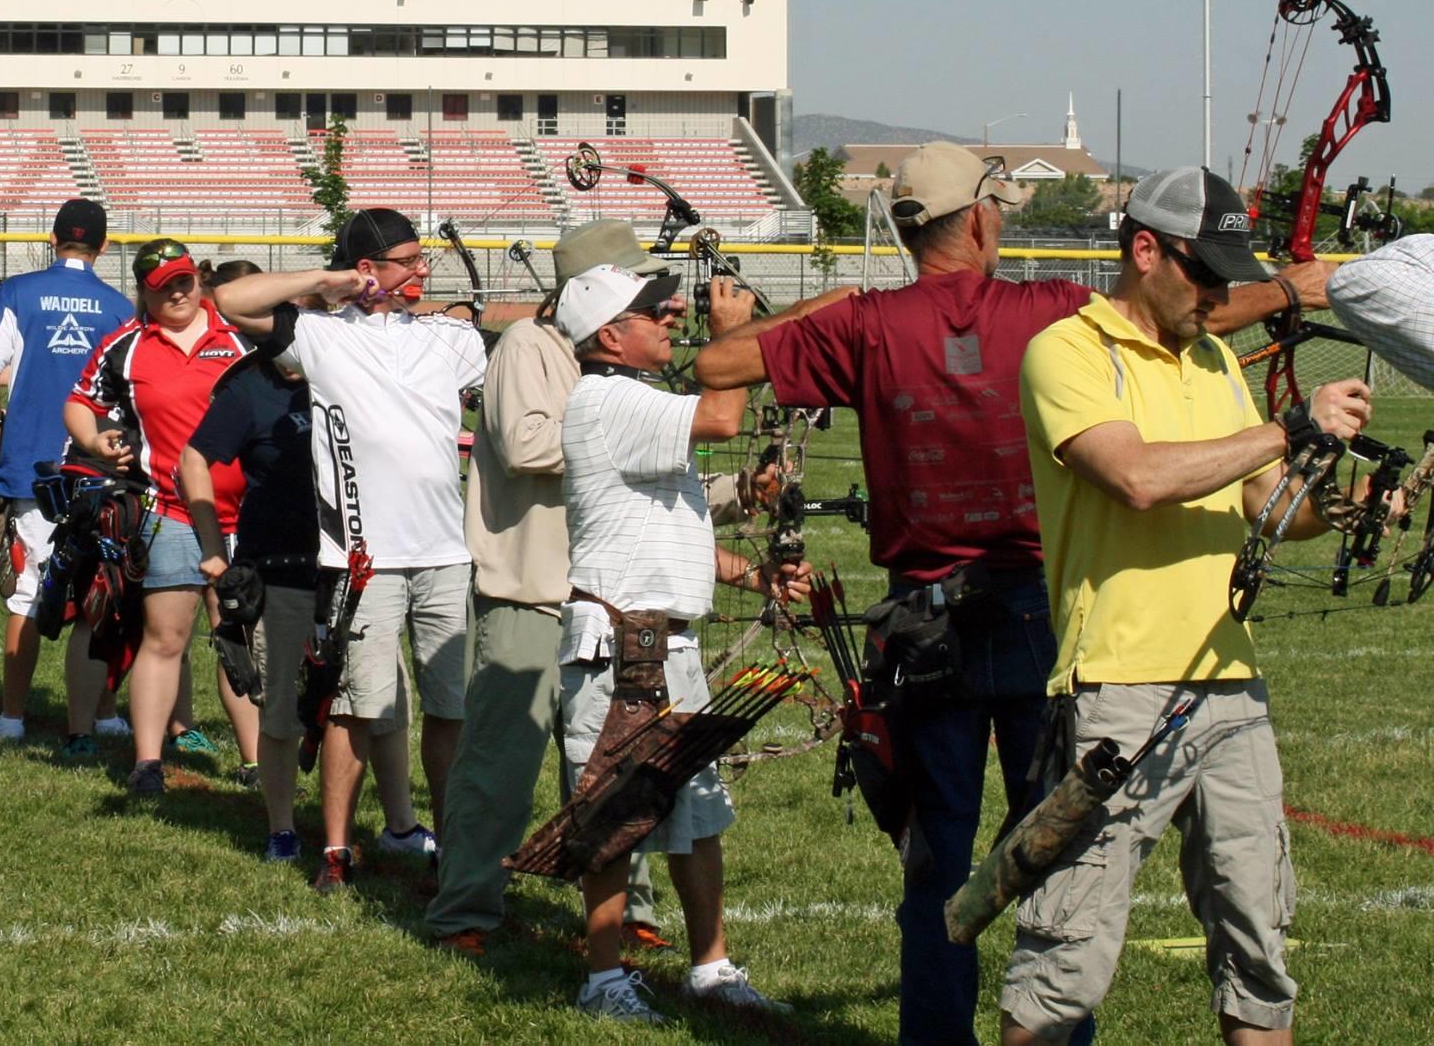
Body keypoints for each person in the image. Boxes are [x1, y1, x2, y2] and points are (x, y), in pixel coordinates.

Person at [694, 143, 1335, 1046]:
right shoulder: (1052, 309)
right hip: (1043, 612)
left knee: (938, 862)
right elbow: (1173, 317)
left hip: (924, 623)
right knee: (1063, 849)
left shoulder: (868, 323)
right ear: (987, 221)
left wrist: (848, 303)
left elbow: (718, 366)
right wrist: (1296, 289)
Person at [999, 167, 1371, 1046]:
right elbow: (1136, 479)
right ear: (1143, 251)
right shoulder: (1069, 351)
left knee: (1259, 953)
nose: (1216, 293)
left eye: (1226, 274)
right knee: (1064, 958)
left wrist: (1346, 504)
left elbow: (1269, 505)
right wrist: (1290, 427)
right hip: (1116, 689)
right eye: (1202, 272)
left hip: (1232, 686)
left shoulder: (1210, 359)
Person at [553, 262, 802, 1022]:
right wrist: (733, 337)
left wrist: (754, 577)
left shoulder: (636, 401)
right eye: (652, 312)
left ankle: (712, 968)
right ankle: (603, 980)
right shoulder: (608, 399)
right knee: (611, 813)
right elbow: (726, 418)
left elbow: (669, 532)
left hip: (663, 645)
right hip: (622, 647)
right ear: (609, 336)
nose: (670, 317)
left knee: (697, 810)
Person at [427, 219, 678, 955]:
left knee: (619, 765)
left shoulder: (627, 367)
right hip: (530, 589)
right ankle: (464, 909)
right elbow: (526, 442)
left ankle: (628, 911)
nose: (659, 307)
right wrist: (625, 433)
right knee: (501, 765)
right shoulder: (528, 347)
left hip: (611, 594)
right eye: (639, 291)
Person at [215, 209, 484, 891]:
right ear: (369, 270)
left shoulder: (448, 338)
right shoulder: (322, 336)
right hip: (364, 559)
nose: (424, 271)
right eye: (408, 260)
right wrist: (331, 280)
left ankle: (453, 844)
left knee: (449, 709)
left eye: (425, 259)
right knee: (357, 708)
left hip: (445, 555)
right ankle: (336, 849)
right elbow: (229, 301)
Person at [66, 237, 259, 791]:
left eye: (183, 280)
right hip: (170, 510)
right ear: (144, 295)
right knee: (165, 638)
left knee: (239, 642)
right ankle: (147, 762)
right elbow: (80, 402)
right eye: (161, 287)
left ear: (198, 278)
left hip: (248, 516)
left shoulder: (243, 335)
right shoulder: (126, 345)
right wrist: (95, 441)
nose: (176, 293)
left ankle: (255, 762)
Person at [0, 199, 134, 747]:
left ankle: (13, 716)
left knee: (27, 589)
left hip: (31, 462)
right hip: (97, 462)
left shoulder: (16, 292)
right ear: (104, 247)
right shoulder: (118, 305)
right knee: (101, 588)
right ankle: (104, 712)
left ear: (52, 238)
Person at [181, 334, 315, 858]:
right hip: (277, 567)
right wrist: (214, 547)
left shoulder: (347, 372)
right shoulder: (250, 387)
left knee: (368, 710)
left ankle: (394, 821)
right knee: (280, 707)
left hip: (348, 568)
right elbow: (193, 459)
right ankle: (282, 826)